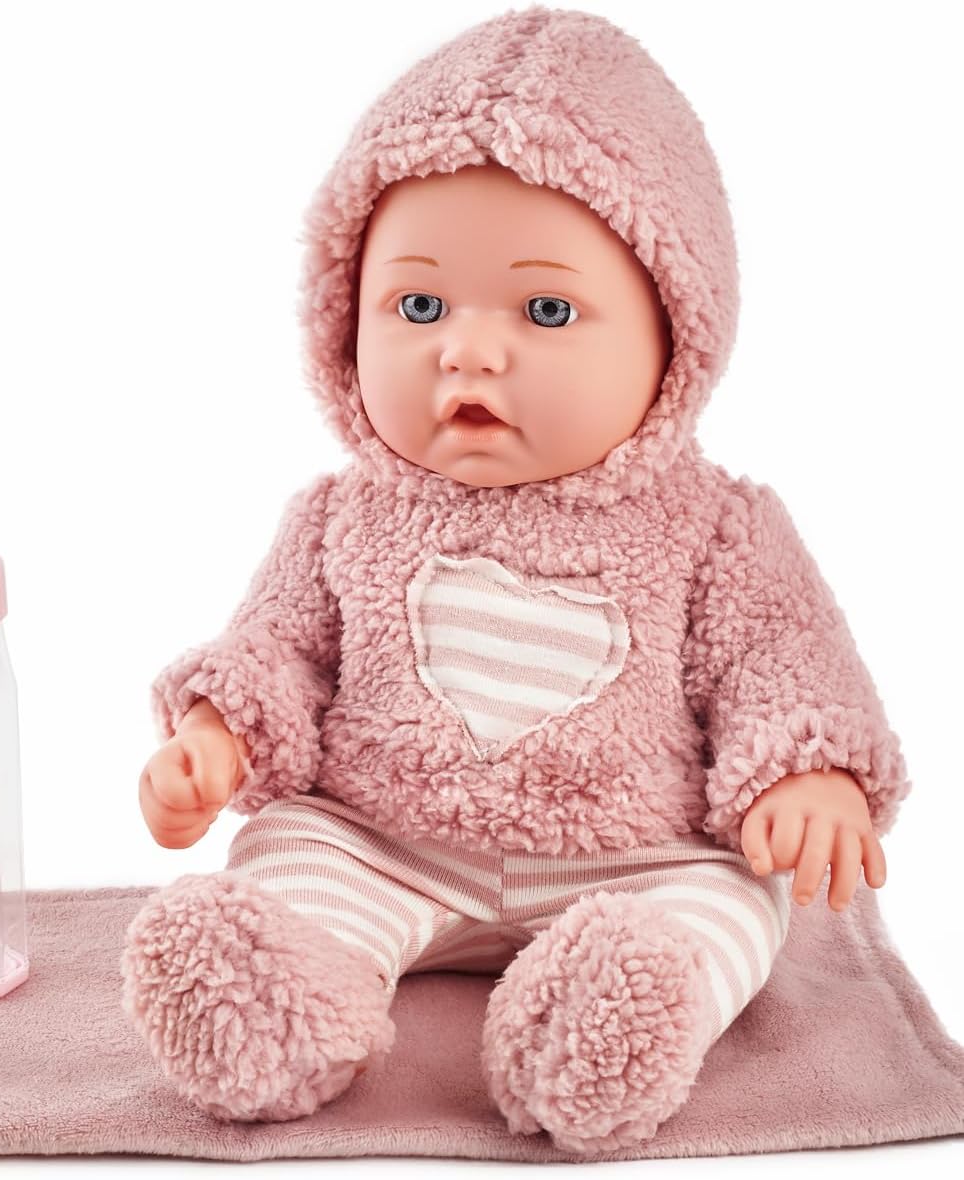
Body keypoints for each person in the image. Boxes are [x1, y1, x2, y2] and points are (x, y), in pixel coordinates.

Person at [119, 5, 908, 1154]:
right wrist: (219, 733)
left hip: (637, 857)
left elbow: (782, 656)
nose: (468, 351)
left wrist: (811, 770)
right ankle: (270, 1000)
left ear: (676, 334)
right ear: (343, 318)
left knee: (729, 902)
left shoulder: (716, 526)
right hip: (379, 838)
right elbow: (276, 647)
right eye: (419, 305)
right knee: (290, 859)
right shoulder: (340, 515)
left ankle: (610, 1013)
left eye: (546, 310)